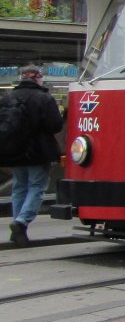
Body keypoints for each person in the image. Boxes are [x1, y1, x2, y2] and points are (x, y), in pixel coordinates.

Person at [3, 65, 64, 247]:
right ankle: (21, 222)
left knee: (19, 187)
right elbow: (55, 126)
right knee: (36, 186)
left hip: (13, 151)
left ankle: (18, 225)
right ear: (37, 78)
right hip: (38, 151)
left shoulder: (8, 97)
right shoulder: (44, 98)